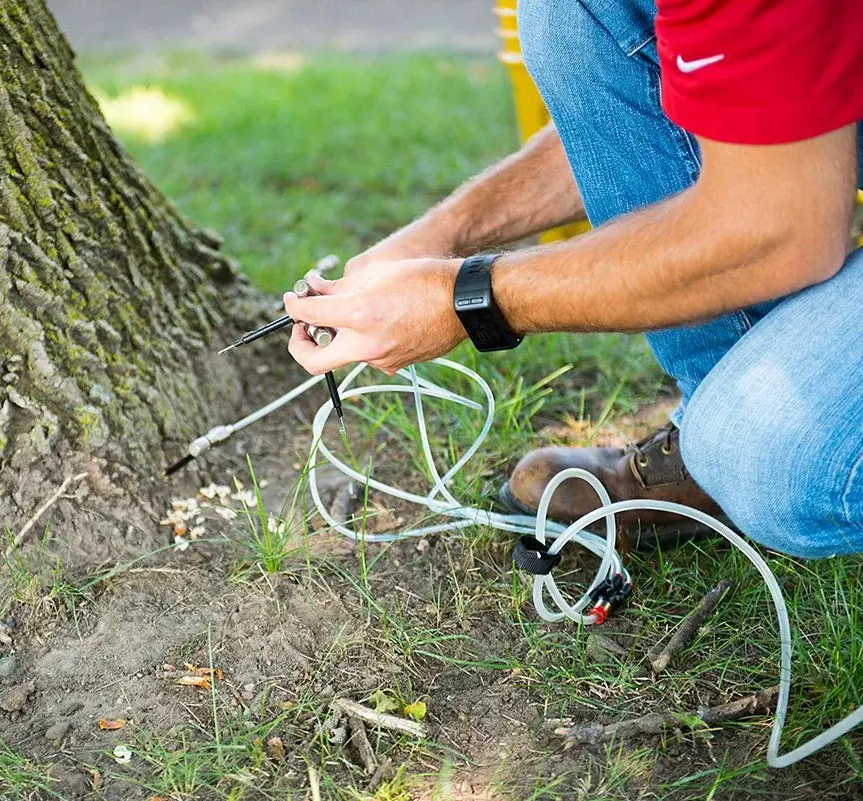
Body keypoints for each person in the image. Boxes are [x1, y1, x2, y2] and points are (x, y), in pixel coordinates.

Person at [282, 0, 863, 559]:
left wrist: (463, 298)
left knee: (769, 459)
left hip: (789, 219)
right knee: (573, 13)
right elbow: (670, 113)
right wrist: (437, 237)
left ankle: (731, 453)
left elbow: (780, 226)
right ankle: (710, 438)